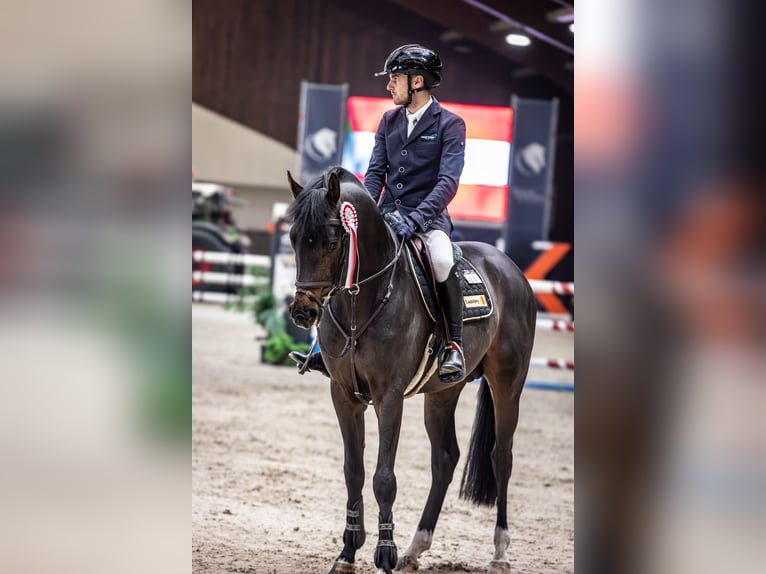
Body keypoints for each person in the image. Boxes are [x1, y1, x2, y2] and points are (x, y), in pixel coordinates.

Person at [291, 44, 467, 382]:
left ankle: (453, 345)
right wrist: (366, 211)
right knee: (346, 256)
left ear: (417, 81)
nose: (389, 85)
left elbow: (447, 183)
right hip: (386, 217)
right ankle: (322, 346)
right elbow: (375, 173)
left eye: (395, 78)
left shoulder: (450, 125)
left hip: (427, 221)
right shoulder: (388, 120)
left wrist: (415, 220)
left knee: (443, 260)